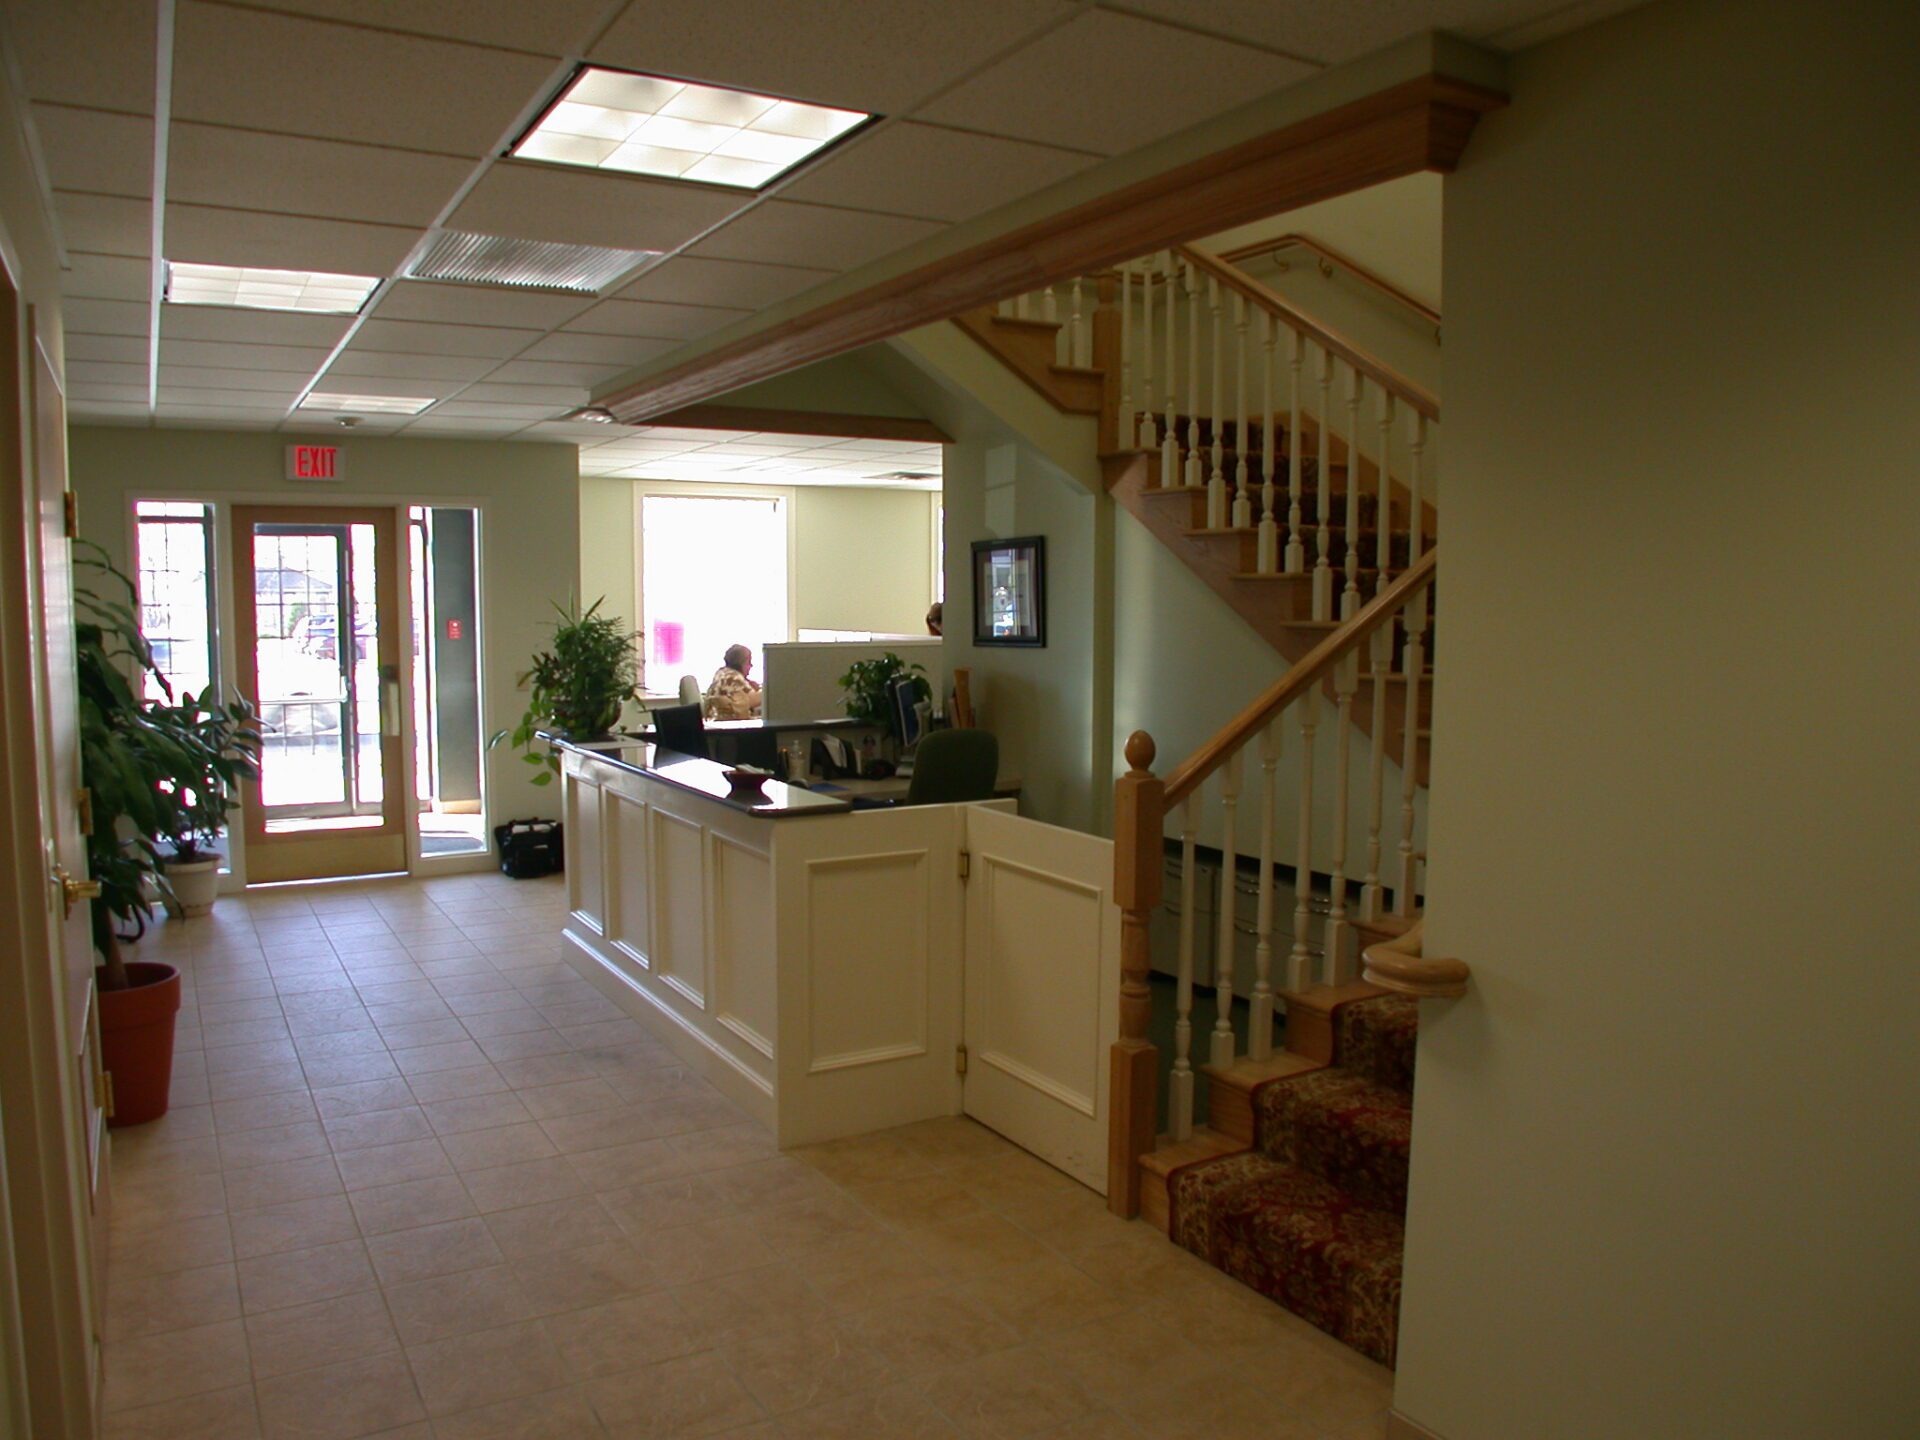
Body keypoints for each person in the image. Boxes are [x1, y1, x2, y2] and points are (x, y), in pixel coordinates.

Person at [704, 643, 762, 720]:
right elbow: (753, 701)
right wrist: (767, 689)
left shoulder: (721, 673)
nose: (751, 665)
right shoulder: (734, 678)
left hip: (713, 722)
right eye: (749, 662)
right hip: (730, 724)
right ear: (741, 662)